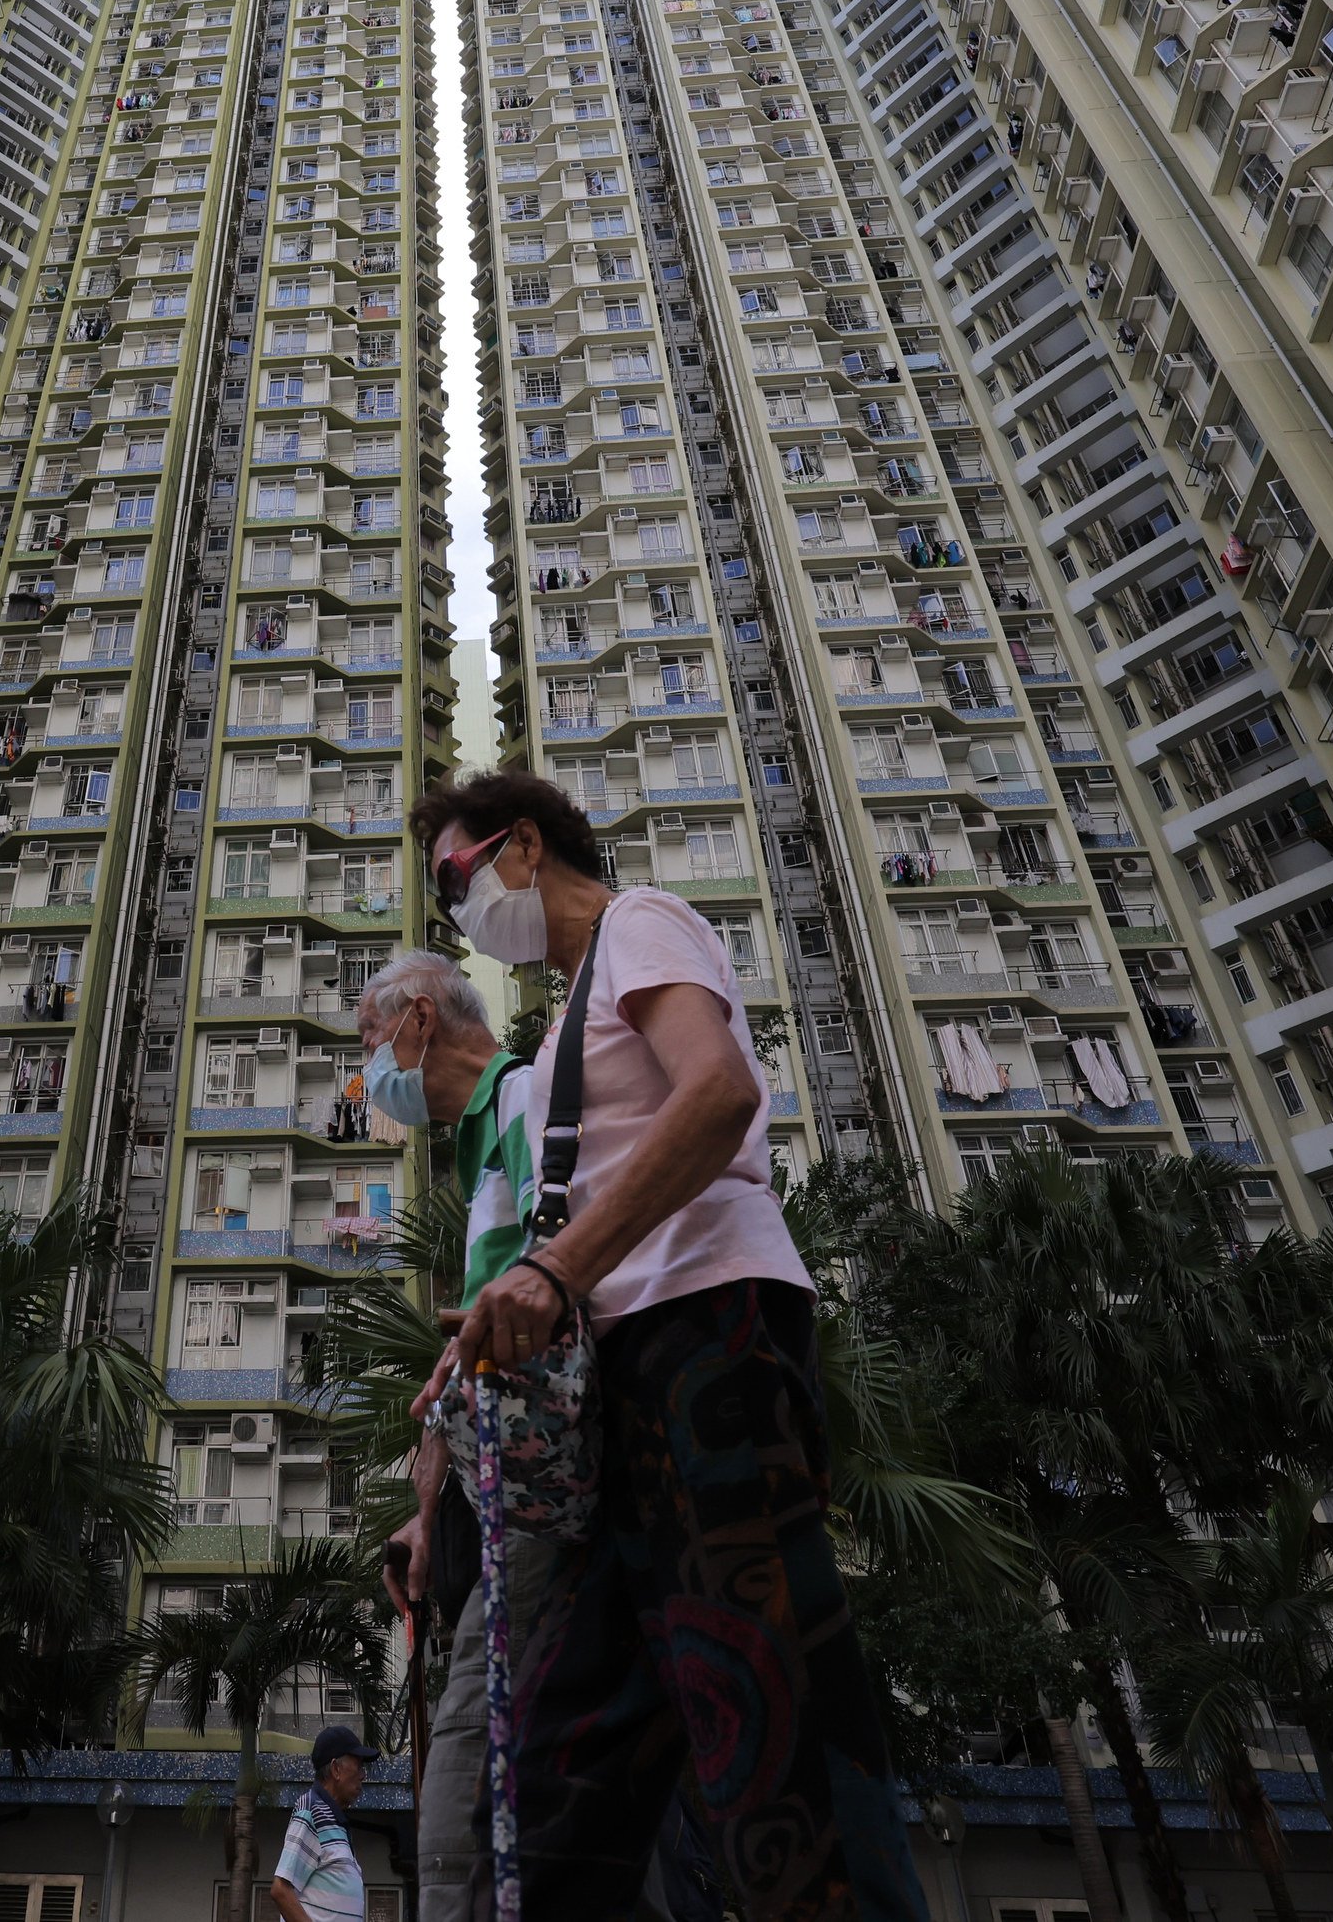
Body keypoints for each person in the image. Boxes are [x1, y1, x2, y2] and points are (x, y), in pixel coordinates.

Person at [409, 767, 925, 1922]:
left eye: (456, 875)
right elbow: (563, 1218)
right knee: (567, 1748)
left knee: (770, 1706)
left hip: (711, 1335)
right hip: (615, 1389)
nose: (456, 909)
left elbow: (718, 1094)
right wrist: (489, 1339)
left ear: (524, 844)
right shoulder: (554, 1036)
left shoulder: (643, 923)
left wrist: (554, 1269)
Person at [356, 951, 565, 1922]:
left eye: (371, 1048)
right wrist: (422, 1515)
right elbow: (474, 1356)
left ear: (419, 1020)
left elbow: (566, 1285)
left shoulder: (528, 1100)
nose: (372, 1080)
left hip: (551, 1510)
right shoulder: (482, 1143)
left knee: (459, 1809)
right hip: (512, 1510)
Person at [271, 1724, 375, 1922]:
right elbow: (281, 1890)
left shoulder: (333, 1820)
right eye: (359, 1767)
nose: (362, 1775)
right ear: (336, 1769)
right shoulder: (311, 1810)